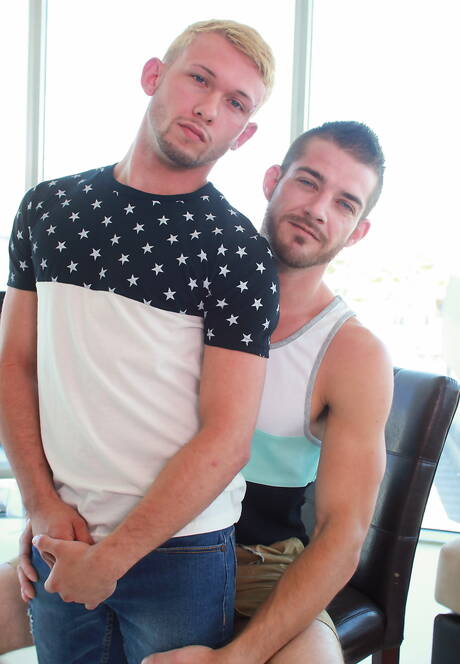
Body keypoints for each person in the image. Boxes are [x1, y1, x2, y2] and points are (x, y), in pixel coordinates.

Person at [1, 121, 393, 663]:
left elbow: (341, 535)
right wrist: (45, 508)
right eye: (308, 181)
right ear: (273, 180)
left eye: (345, 203)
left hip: (258, 563)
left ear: (359, 230)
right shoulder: (173, 278)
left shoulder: (353, 355)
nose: (318, 209)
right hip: (116, 529)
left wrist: (236, 659)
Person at [0, 19, 279, 663]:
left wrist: (114, 558)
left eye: (235, 103)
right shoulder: (47, 208)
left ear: (244, 133)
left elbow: (228, 436)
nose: (209, 108)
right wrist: (40, 505)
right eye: (199, 79)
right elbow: (15, 364)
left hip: (182, 550)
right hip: (62, 531)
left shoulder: (238, 252)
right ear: (155, 76)